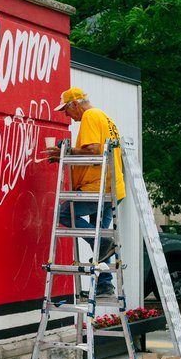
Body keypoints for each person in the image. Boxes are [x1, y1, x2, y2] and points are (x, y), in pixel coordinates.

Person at [47, 87, 125, 297]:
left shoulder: (90, 115)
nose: (66, 115)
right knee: (101, 237)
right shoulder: (104, 117)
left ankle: (101, 245)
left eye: (66, 109)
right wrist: (67, 154)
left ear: (75, 104)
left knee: (65, 214)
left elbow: (93, 151)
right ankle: (105, 285)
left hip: (97, 186)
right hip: (112, 187)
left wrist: (65, 152)